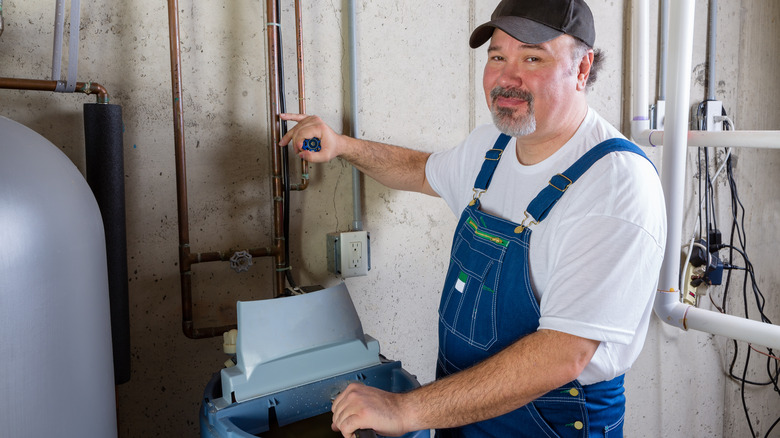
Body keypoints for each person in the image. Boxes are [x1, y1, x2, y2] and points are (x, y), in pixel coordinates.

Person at [280, 0, 666, 436]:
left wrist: (406, 411)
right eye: (497, 56)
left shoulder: (616, 184)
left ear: (582, 69)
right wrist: (341, 146)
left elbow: (564, 352)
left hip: (549, 423)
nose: (507, 77)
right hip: (461, 413)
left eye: (532, 57)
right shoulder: (492, 146)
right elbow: (420, 170)